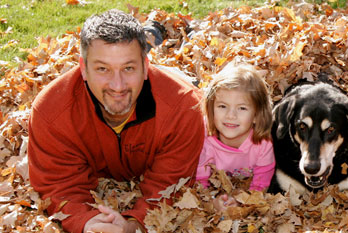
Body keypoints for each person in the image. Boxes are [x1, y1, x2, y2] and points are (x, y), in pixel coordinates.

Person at [27, 9, 205, 233]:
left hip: (168, 84)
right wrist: (84, 220)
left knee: (185, 82)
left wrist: (136, 222)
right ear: (83, 68)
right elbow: (57, 184)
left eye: (128, 68)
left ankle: (158, 33)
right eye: (103, 69)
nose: (117, 85)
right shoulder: (51, 111)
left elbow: (171, 183)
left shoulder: (184, 108)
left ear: (145, 67)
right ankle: (150, 33)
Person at [195, 63, 275, 212]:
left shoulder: (262, 144)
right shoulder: (204, 138)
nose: (231, 116)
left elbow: (261, 183)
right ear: (211, 108)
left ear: (257, 115)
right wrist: (212, 203)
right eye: (222, 106)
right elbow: (200, 182)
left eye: (242, 108)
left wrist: (244, 201)